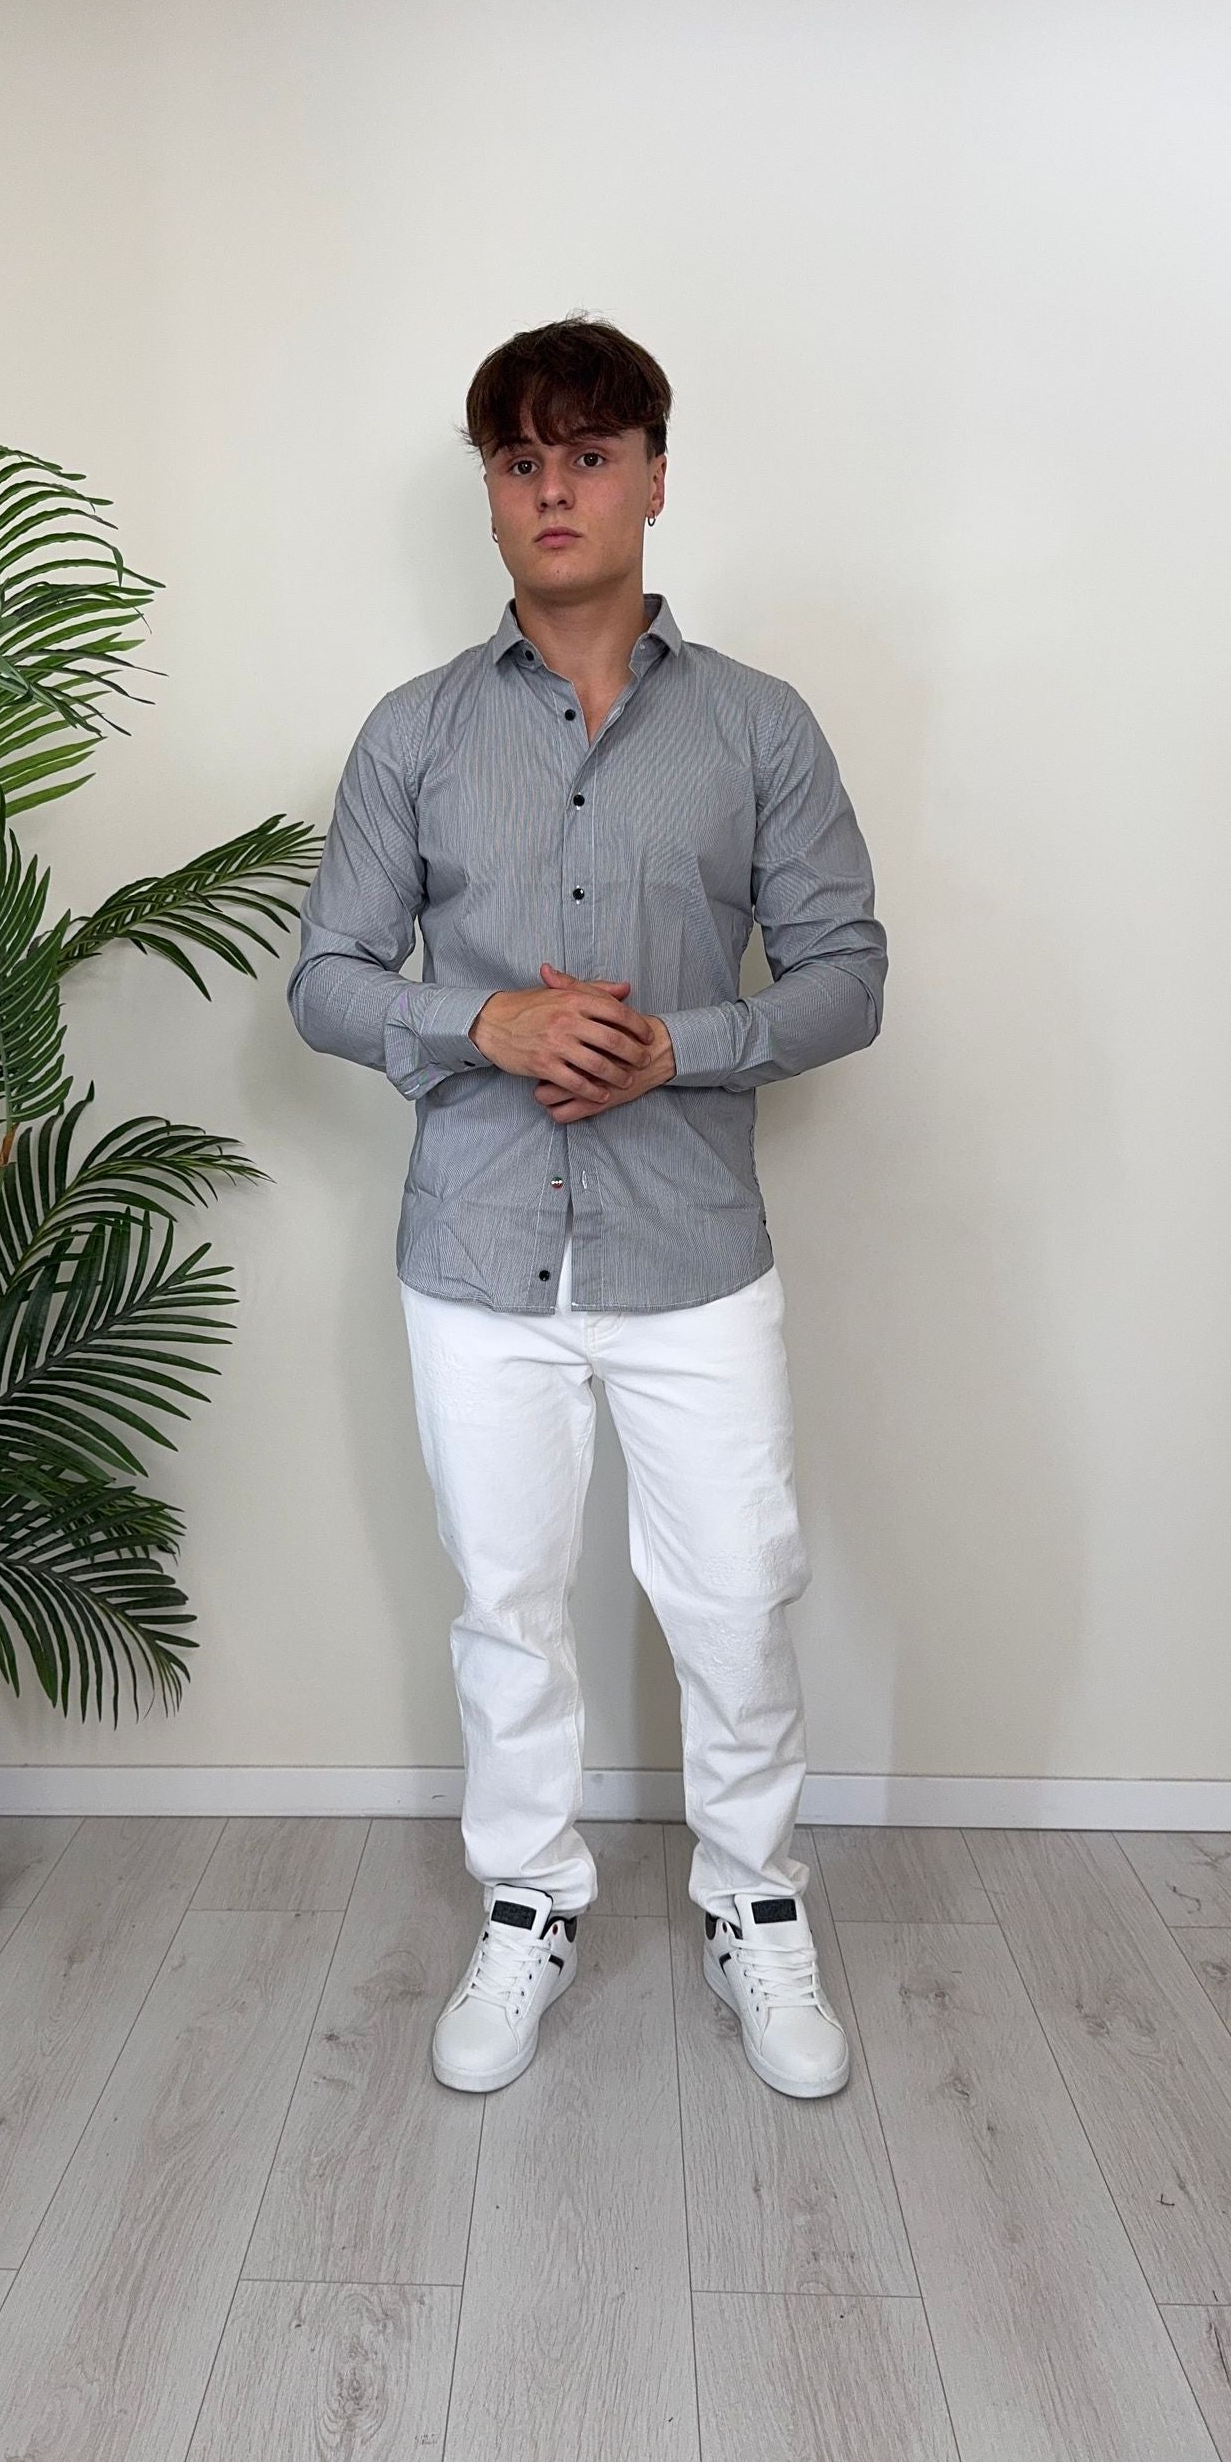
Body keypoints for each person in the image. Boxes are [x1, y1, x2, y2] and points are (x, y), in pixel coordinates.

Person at [286, 314, 887, 2103]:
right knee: (508, 1605)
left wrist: (675, 1048)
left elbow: (848, 976)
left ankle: (755, 1904)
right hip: (477, 1255)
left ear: (656, 478)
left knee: (738, 1597)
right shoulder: (412, 733)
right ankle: (529, 1906)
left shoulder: (760, 726)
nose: (555, 490)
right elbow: (325, 978)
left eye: (592, 455)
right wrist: (486, 1023)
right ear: (492, 491)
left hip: (691, 1253)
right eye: (521, 460)